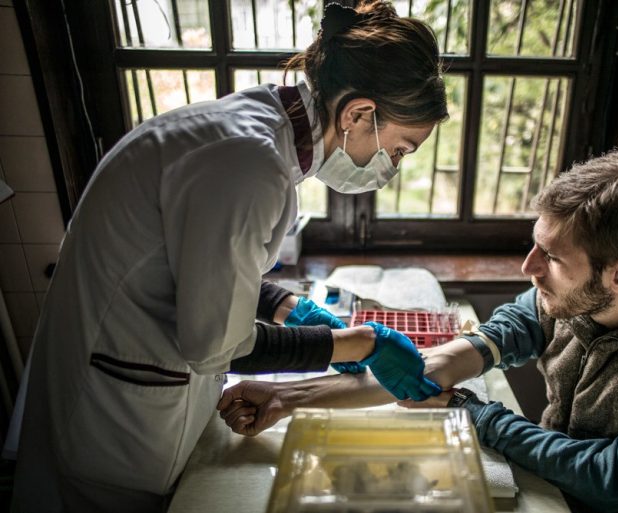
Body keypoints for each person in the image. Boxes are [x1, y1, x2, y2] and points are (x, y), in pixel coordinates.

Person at [11, 2, 446, 511]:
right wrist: (359, 344)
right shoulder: (249, 164)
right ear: (357, 114)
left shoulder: (259, 127)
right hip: (118, 422)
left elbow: (199, 263)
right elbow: (219, 345)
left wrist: (288, 307)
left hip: (127, 375)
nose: (390, 167)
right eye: (399, 149)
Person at [218, 149, 618, 513]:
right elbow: (432, 371)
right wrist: (287, 397)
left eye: (549, 257)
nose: (527, 268)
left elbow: (612, 476)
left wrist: (477, 414)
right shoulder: (590, 278)